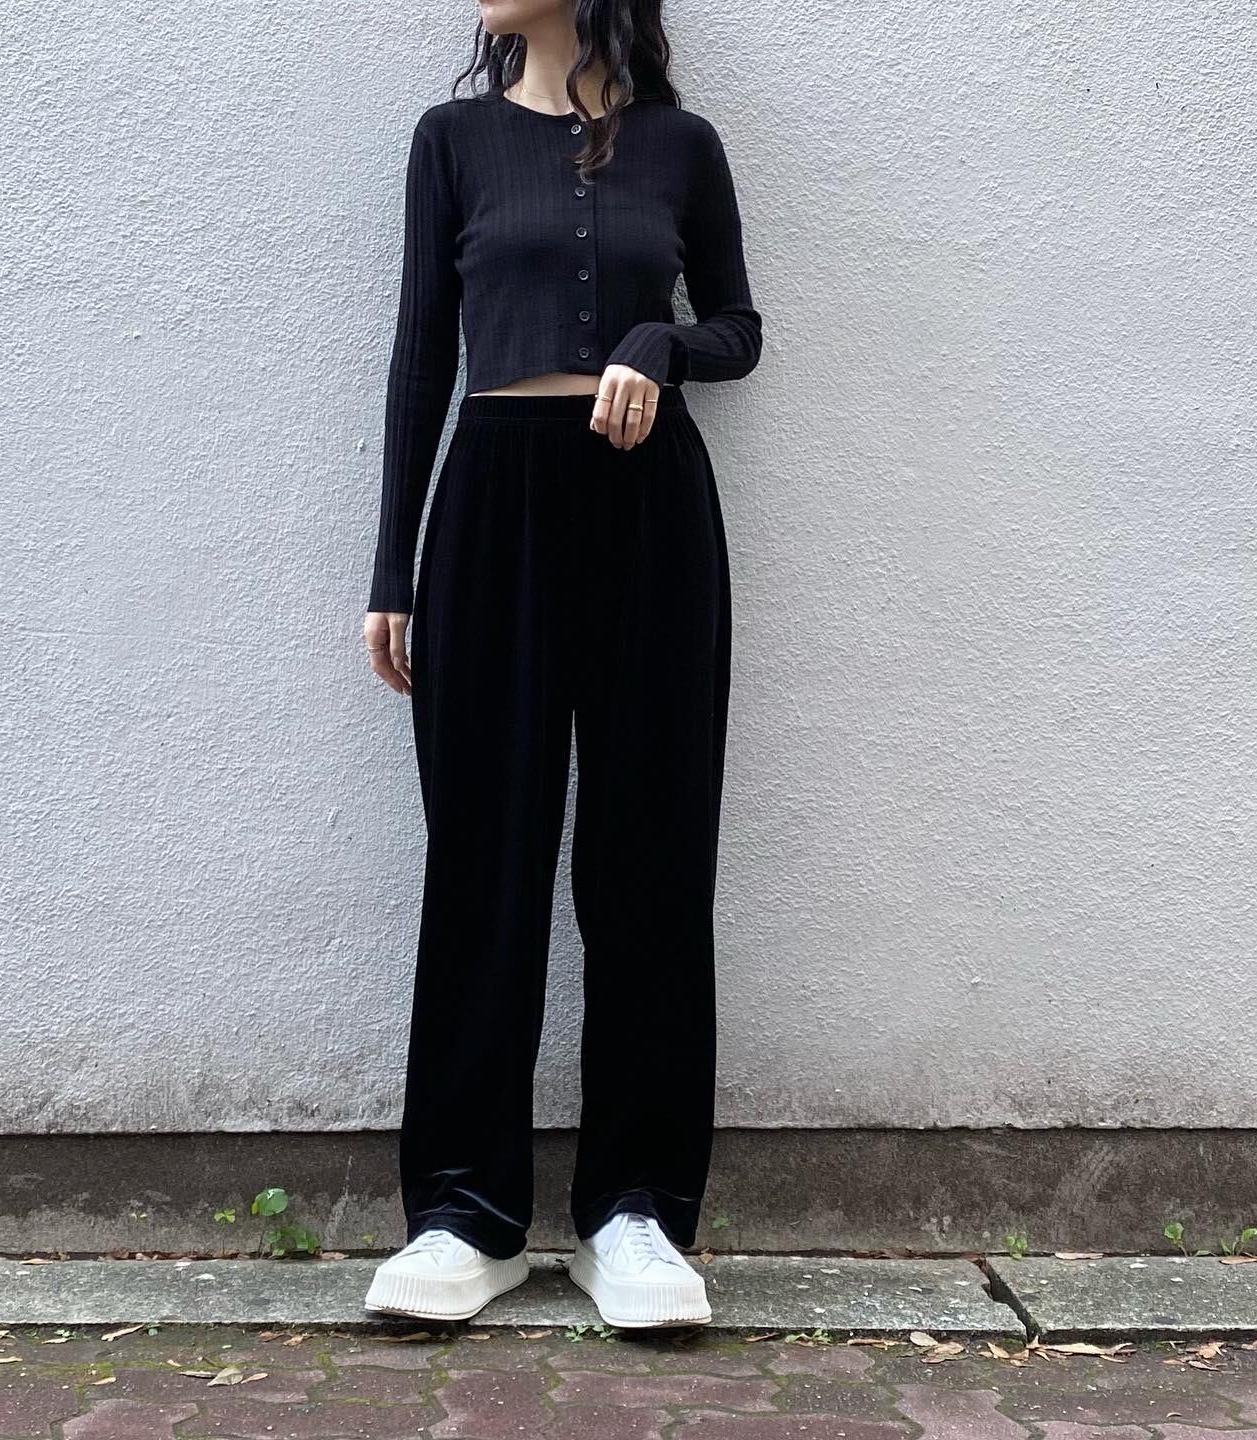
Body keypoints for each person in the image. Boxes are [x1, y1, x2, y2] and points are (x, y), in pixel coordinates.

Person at [361, 0, 762, 1329]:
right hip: (492, 510)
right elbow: (421, 354)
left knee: (653, 858)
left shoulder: (683, 147)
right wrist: (394, 573)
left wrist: (660, 344)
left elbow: (740, 328)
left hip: (650, 513)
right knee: (484, 855)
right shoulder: (451, 141)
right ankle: (464, 1214)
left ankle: (635, 1213)